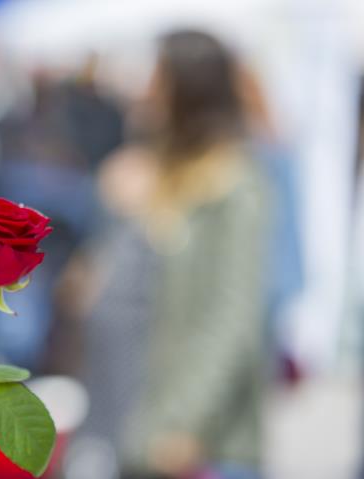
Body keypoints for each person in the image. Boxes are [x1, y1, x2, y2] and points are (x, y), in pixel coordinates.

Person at [98, 30, 270, 479]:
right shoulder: (155, 172)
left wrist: (181, 423)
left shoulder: (233, 186)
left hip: (198, 445)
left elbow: (232, 320)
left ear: (188, 90)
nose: (146, 89)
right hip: (133, 426)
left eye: (158, 77)